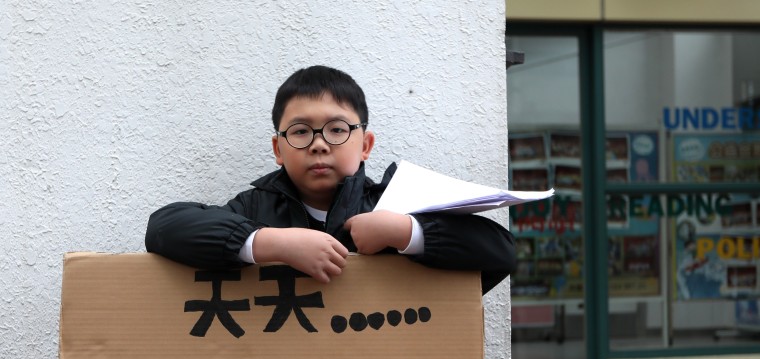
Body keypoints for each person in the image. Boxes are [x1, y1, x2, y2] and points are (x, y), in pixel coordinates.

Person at [146, 65, 516, 293]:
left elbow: (501, 253)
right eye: (301, 131)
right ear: (278, 149)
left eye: (337, 129)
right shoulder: (255, 207)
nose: (319, 145)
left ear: (366, 144)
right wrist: (270, 243)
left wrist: (403, 233)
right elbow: (163, 228)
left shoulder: (395, 203)